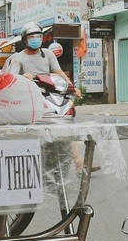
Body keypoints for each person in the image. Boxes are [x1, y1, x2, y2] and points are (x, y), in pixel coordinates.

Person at [5, 22, 99, 171]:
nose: (36, 39)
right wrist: (24, 75)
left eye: (38, 36)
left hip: (52, 96)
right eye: (32, 37)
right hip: (32, 99)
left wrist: (72, 88)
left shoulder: (47, 54)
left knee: (66, 126)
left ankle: (79, 163)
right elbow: (12, 78)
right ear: (25, 40)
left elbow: (58, 72)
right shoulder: (18, 58)